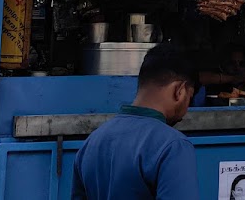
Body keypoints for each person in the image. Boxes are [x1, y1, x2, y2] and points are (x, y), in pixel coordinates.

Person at [72, 42, 201, 200]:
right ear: (179, 91)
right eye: (190, 97)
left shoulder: (92, 142)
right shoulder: (173, 145)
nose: (185, 111)